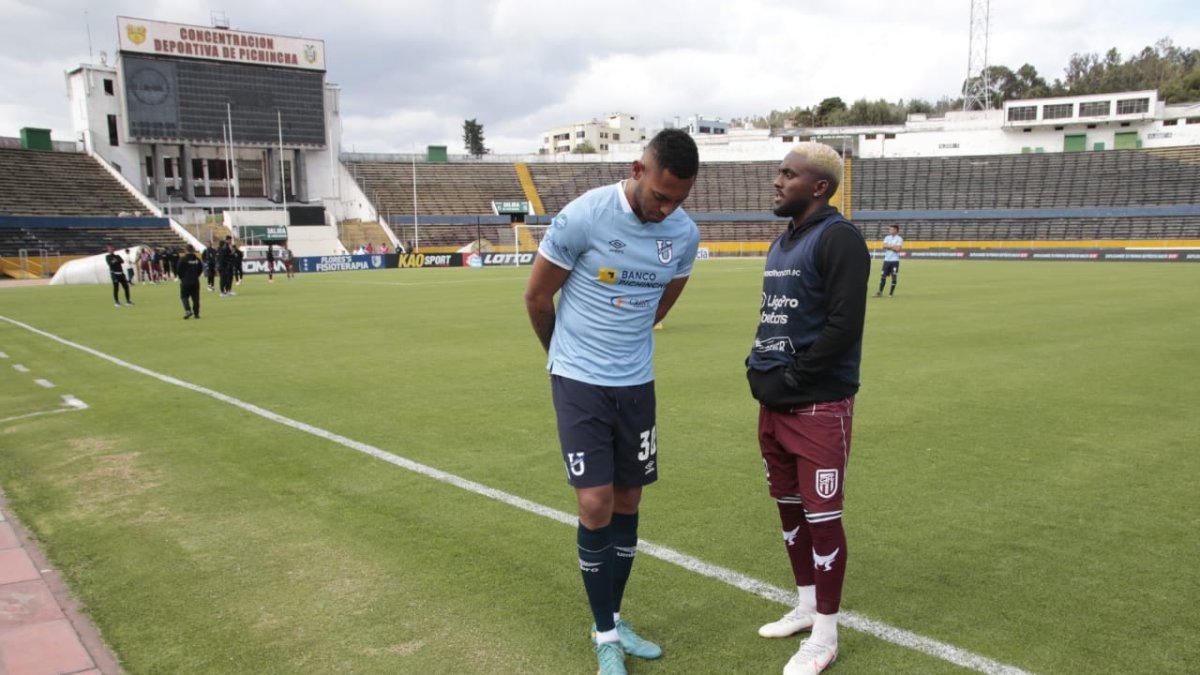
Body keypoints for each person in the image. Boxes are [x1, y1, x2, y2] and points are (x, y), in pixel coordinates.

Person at [524, 129, 701, 675]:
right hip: (578, 378)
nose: (665, 207)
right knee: (595, 503)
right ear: (636, 170)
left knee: (628, 502)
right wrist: (566, 360)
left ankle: (615, 615)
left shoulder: (685, 235)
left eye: (678, 199)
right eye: (659, 195)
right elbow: (536, 297)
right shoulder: (584, 217)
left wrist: (625, 345)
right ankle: (604, 636)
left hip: (636, 383)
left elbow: (661, 301)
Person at [746, 143, 869, 675]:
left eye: (788, 174)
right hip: (775, 407)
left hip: (818, 407)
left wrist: (794, 378)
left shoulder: (839, 239)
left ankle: (825, 634)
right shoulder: (783, 242)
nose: (777, 181)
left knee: (822, 520)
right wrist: (755, 368)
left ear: (819, 186)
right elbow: (776, 318)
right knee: (789, 510)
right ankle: (805, 604)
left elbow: (844, 327)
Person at [875, 225, 903, 297]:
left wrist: (889, 246)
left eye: (891, 229)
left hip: (894, 260)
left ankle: (891, 293)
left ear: (896, 230)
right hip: (886, 260)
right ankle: (880, 292)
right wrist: (893, 246)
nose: (890, 231)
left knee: (894, 276)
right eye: (889, 229)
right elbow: (883, 246)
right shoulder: (887, 237)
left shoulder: (899, 239)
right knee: (883, 276)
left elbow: (898, 249)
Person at [176, 244, 203, 319]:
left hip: (185, 281)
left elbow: (178, 270)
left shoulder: (183, 259)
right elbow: (200, 270)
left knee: (184, 296)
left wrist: (182, 277)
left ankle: (188, 310)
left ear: (186, 250)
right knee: (196, 298)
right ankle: (196, 313)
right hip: (195, 281)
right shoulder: (197, 259)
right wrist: (196, 276)